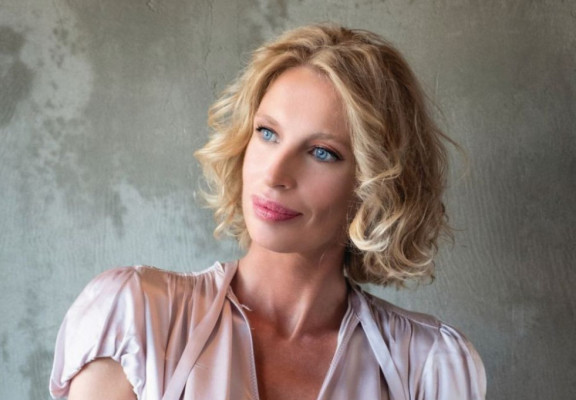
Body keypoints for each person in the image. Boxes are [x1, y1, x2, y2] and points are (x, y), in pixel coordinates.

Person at [49, 24, 486, 400]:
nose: (275, 174)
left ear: (375, 183)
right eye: (267, 133)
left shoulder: (429, 365)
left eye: (322, 152)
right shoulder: (136, 318)